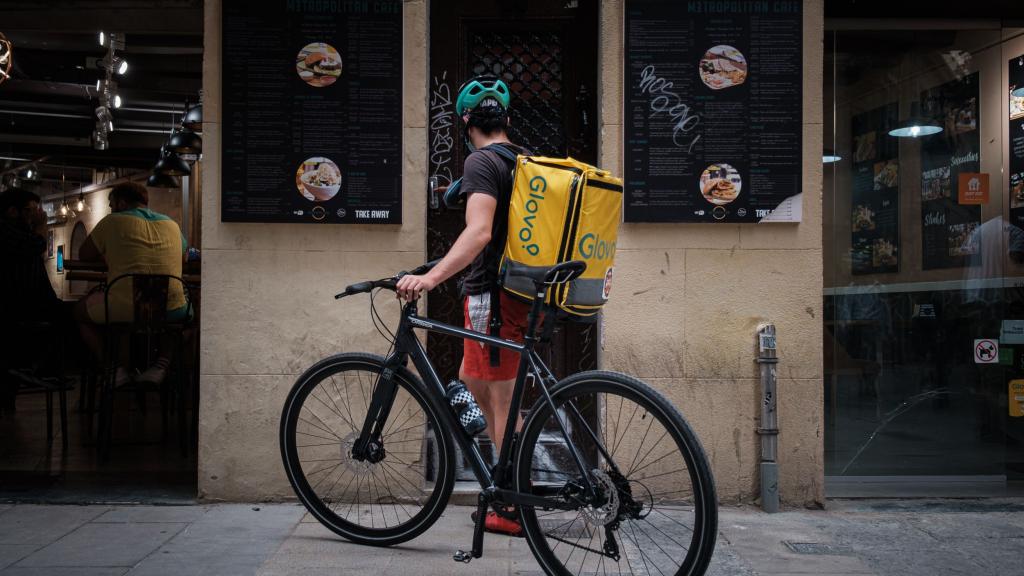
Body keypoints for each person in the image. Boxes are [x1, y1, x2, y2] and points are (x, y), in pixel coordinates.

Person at [396, 75, 529, 536]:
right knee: (471, 391)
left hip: (493, 295)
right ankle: (504, 487)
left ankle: (511, 506)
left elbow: (480, 232)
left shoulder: (481, 161)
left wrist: (430, 279)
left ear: (466, 124)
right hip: (518, 293)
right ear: (506, 120)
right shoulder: (523, 159)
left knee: (500, 402)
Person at [74, 181, 188, 386]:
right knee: (188, 319)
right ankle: (161, 365)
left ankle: (113, 369)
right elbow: (184, 258)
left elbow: (84, 254)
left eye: (111, 204)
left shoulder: (111, 222)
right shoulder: (171, 224)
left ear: (121, 203)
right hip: (170, 308)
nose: (111, 209)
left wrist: (110, 254)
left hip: (124, 307)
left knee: (79, 312)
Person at [0, 187, 63, 413]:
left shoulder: (19, 230)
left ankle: (28, 375)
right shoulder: (5, 230)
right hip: (12, 308)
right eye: (31, 210)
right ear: (12, 211)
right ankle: (36, 371)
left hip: (22, 306)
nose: (37, 214)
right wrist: (42, 227)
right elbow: (35, 245)